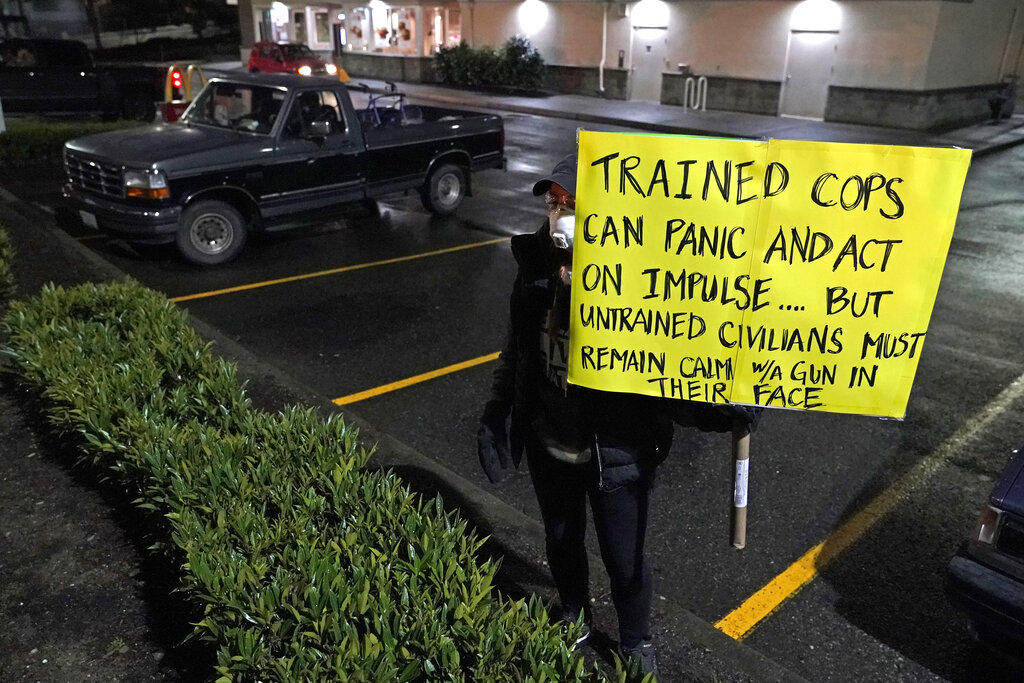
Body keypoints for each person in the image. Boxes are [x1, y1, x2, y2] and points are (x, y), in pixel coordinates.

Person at [477, 154, 759, 675]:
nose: (558, 216)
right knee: (561, 540)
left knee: (624, 558)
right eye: (552, 203)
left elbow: (668, 375)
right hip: (550, 443)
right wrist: (500, 410)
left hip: (619, 453)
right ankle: (574, 614)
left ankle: (635, 641)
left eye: (572, 205)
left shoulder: (640, 282)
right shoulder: (535, 267)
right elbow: (516, 351)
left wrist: (722, 410)